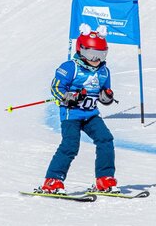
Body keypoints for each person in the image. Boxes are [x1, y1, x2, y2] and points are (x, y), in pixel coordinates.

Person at [39, 23, 118, 194]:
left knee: (106, 139)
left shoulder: (104, 71)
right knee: (70, 145)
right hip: (71, 115)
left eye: (100, 54)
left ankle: (104, 179)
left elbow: (104, 93)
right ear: (81, 50)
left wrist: (106, 97)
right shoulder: (70, 67)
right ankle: (52, 181)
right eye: (91, 53)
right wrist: (69, 97)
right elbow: (56, 88)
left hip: (91, 114)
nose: (95, 58)